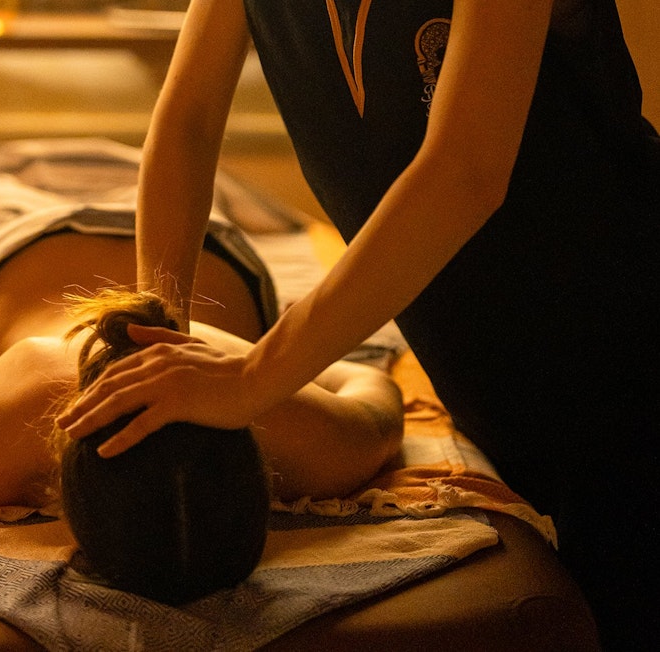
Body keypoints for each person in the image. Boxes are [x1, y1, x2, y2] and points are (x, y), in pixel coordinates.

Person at [54, 0, 659, 647]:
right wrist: (161, 328)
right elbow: (189, 122)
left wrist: (255, 376)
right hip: (490, 379)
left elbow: (465, 170)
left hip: (629, 355)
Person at [0, 224, 404, 604]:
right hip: (76, 237)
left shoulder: (319, 442)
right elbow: (373, 378)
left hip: (169, 241)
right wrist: (287, 365)